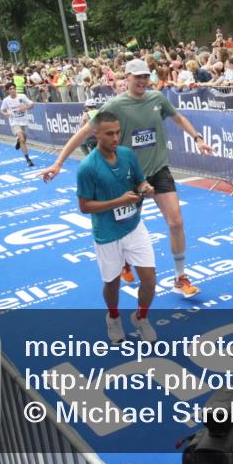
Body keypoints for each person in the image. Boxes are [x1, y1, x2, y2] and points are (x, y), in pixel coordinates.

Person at [41, 58, 214, 298]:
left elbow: (179, 118)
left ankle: (180, 277)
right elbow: (84, 133)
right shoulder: (115, 106)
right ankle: (123, 263)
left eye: (146, 76)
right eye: (138, 77)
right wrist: (58, 163)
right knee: (124, 228)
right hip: (129, 176)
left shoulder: (157, 99)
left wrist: (198, 139)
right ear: (127, 79)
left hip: (158, 170)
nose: (143, 81)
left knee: (176, 222)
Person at [76, 111, 158, 343]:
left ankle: (141, 319)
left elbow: (140, 180)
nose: (115, 138)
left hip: (134, 227)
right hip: (107, 233)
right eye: (109, 133)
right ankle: (113, 317)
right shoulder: (87, 167)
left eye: (118, 132)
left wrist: (145, 188)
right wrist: (118, 202)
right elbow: (84, 206)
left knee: (150, 279)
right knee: (112, 283)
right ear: (96, 134)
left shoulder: (127, 155)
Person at [0, 82, 36, 166]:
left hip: (24, 121)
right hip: (14, 122)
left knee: (24, 138)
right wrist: (6, 114)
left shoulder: (22, 96)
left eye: (14, 88)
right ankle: (28, 159)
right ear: (8, 91)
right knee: (22, 138)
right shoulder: (6, 100)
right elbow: (2, 110)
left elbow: (32, 104)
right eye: (10, 89)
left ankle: (18, 141)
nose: (13, 90)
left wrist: (25, 108)